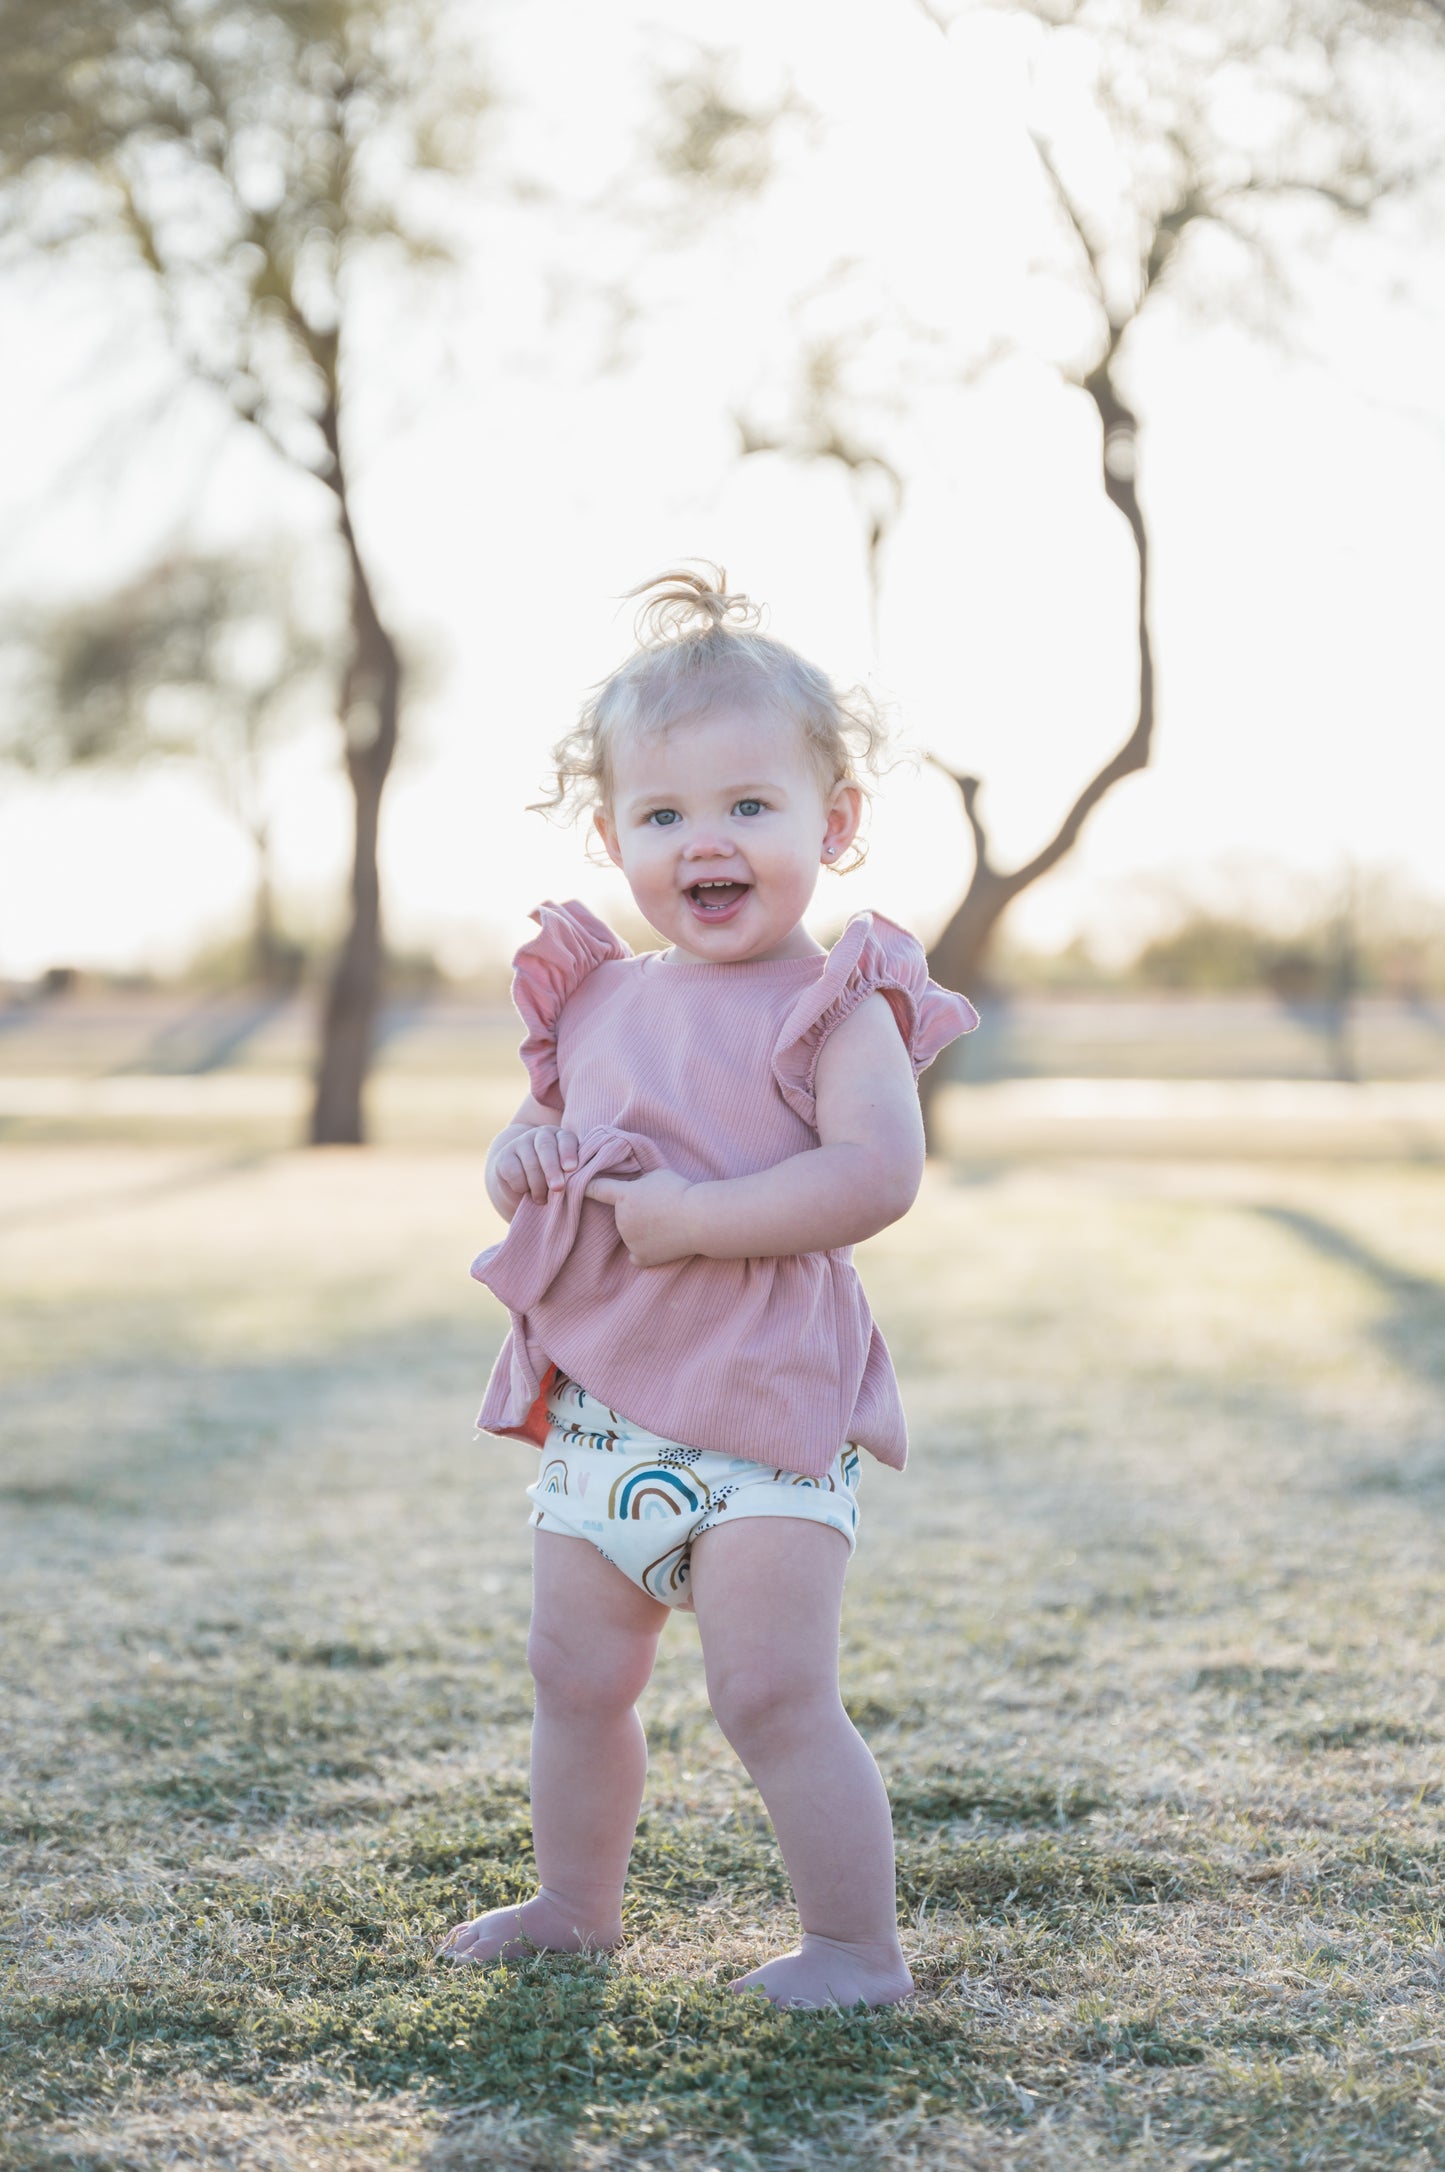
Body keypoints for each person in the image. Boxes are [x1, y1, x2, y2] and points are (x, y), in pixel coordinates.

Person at [440, 566, 978, 2008]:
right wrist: (523, 1154)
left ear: (833, 825)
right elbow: (540, 1139)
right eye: (665, 815)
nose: (707, 842)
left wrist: (690, 1221)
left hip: (763, 1413)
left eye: (750, 807)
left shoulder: (837, 1003)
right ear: (614, 834)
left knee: (767, 1692)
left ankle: (855, 1949)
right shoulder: (599, 997)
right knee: (574, 1674)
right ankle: (574, 1901)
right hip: (605, 1414)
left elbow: (873, 1176)